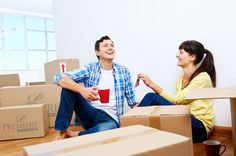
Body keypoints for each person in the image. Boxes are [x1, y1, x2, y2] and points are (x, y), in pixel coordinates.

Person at [54, 35, 138, 140]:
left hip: (110, 119)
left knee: (108, 129)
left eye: (112, 45)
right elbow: (59, 77)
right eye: (106, 45)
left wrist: (146, 116)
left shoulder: (123, 72)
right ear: (97, 52)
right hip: (90, 113)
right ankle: (62, 131)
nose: (110, 47)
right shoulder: (90, 69)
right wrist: (82, 90)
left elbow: (133, 103)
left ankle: (74, 135)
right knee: (68, 88)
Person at [136, 40, 216, 143]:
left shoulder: (203, 78)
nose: (177, 55)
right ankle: (135, 128)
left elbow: (176, 101)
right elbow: (177, 105)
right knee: (155, 111)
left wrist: (152, 84)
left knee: (151, 97)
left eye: (181, 52)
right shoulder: (180, 79)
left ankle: (131, 128)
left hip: (199, 128)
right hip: (184, 121)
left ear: (192, 57)